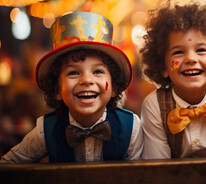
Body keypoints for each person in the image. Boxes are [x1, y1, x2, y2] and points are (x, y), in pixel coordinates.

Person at [1, 12, 143, 163]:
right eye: (73, 72)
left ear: (114, 86)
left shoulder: (131, 128)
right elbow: (8, 166)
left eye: (97, 71)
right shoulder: (46, 129)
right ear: (56, 89)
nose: (86, 80)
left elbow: (140, 176)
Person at [139, 0, 206, 159]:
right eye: (178, 52)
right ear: (163, 67)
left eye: (201, 50)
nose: (191, 59)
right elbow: (157, 168)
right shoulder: (154, 105)